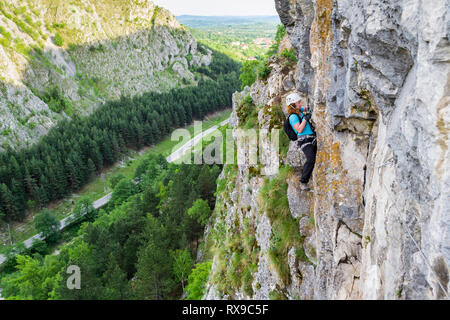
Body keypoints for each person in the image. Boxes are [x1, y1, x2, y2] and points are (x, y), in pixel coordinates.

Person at [285, 93, 317, 191]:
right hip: (304, 141)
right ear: (293, 105)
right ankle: (303, 182)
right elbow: (299, 129)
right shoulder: (293, 117)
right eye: (298, 102)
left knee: (316, 156)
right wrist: (305, 119)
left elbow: (306, 108)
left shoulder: (299, 111)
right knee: (311, 159)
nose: (300, 103)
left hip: (312, 137)